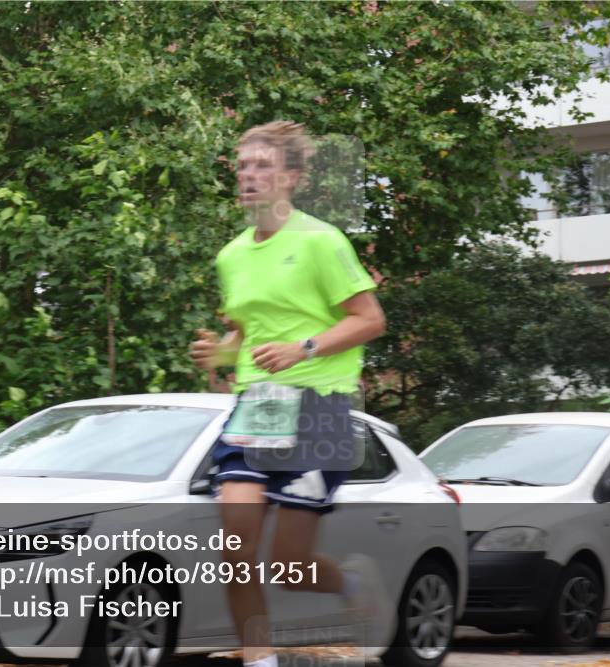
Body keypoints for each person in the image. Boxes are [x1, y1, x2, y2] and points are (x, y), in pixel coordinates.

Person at [189, 120, 390, 667]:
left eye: (262, 166)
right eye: (243, 166)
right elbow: (246, 334)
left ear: (291, 178)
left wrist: (303, 348)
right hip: (257, 408)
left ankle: (351, 583)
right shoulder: (232, 255)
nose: (248, 176)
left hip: (320, 408)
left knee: (288, 567)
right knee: (235, 552)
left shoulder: (321, 241)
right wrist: (220, 355)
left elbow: (370, 320)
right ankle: (261, 662)